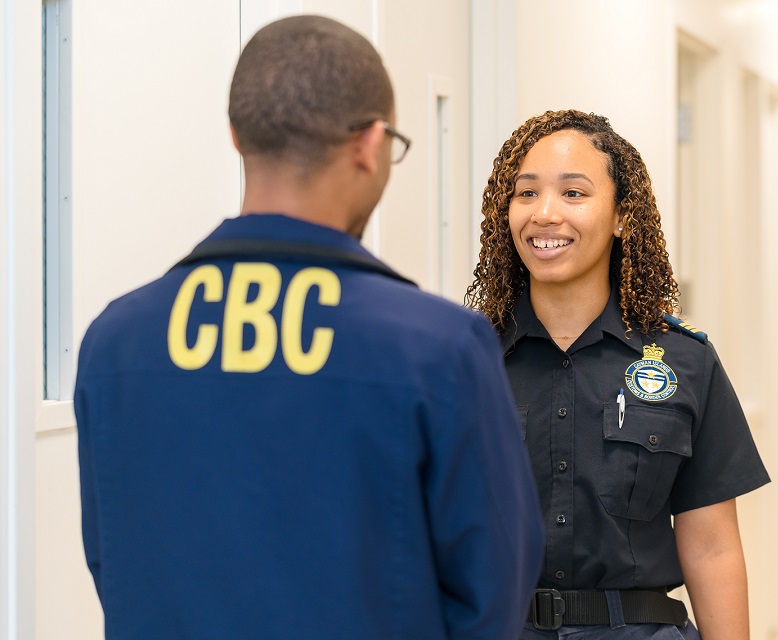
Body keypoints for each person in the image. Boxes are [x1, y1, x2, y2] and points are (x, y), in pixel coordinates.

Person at [75, 15, 544, 640]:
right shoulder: (438, 349)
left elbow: (114, 566)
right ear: (370, 144)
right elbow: (494, 590)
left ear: (237, 136)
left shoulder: (114, 343)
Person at [466, 110, 770, 640]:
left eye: (573, 193)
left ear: (621, 217)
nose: (545, 214)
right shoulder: (466, 359)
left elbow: (712, 547)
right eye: (526, 193)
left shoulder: (684, 361)